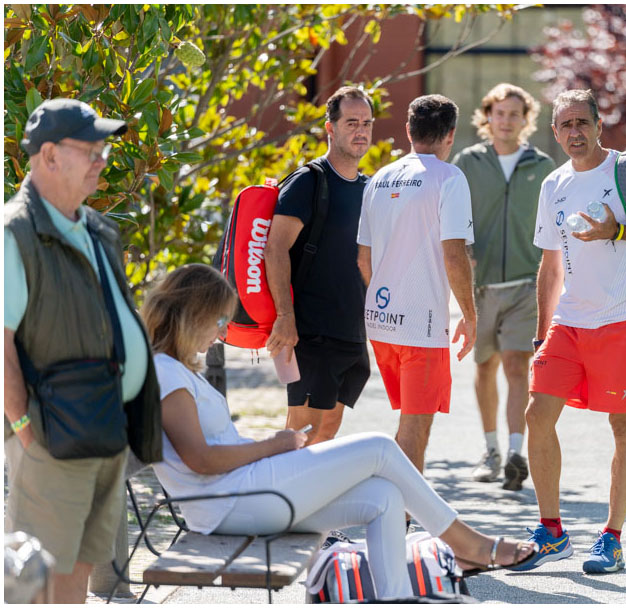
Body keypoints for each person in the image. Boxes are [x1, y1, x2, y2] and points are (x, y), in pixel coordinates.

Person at [141, 264, 537, 599]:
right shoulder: (166, 373)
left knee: (383, 496)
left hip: (242, 496)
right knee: (379, 448)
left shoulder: (174, 371)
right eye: (219, 321)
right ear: (193, 315)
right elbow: (202, 460)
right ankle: (467, 544)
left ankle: (396, 598)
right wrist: (273, 445)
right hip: (231, 504)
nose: (222, 332)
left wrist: (275, 448)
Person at [514, 90, 626, 574]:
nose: (575, 132)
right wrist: (540, 336)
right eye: (565, 125)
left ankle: (612, 539)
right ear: (555, 132)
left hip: (624, 317)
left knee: (622, 427)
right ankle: (552, 532)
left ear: (597, 125)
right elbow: (551, 267)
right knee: (537, 414)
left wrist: (619, 231)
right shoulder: (553, 184)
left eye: (582, 122)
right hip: (570, 321)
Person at [4, 98, 161, 603]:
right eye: (90, 149)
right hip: (51, 438)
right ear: (49, 155)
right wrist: (25, 430)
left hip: (102, 428)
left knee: (77, 579)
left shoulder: (94, 227)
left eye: (102, 150)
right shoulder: (15, 232)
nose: (101, 160)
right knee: (40, 584)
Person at [356, 95, 476, 474]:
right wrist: (470, 314)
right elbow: (454, 255)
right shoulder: (449, 178)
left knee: (410, 423)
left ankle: (396, 503)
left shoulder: (378, 179)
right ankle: (399, 508)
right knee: (416, 428)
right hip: (420, 327)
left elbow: (363, 259)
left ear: (408, 130)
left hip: (381, 322)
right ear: (450, 135)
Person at [452, 83, 556, 491]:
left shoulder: (542, 166)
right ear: (487, 117)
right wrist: (463, 255)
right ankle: (491, 449)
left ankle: (515, 453)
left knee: (516, 366)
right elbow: (452, 215)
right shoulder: (468, 162)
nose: (507, 121)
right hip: (479, 287)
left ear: (526, 120)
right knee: (484, 367)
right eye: (500, 113)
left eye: (515, 114)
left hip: (526, 285)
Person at [263, 86, 374, 444]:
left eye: (367, 123)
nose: (361, 131)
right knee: (300, 435)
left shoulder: (369, 188)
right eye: (352, 122)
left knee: (326, 433)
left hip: (351, 332)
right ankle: (277, 483)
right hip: (310, 333)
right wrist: (285, 316)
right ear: (330, 127)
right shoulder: (309, 181)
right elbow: (275, 248)